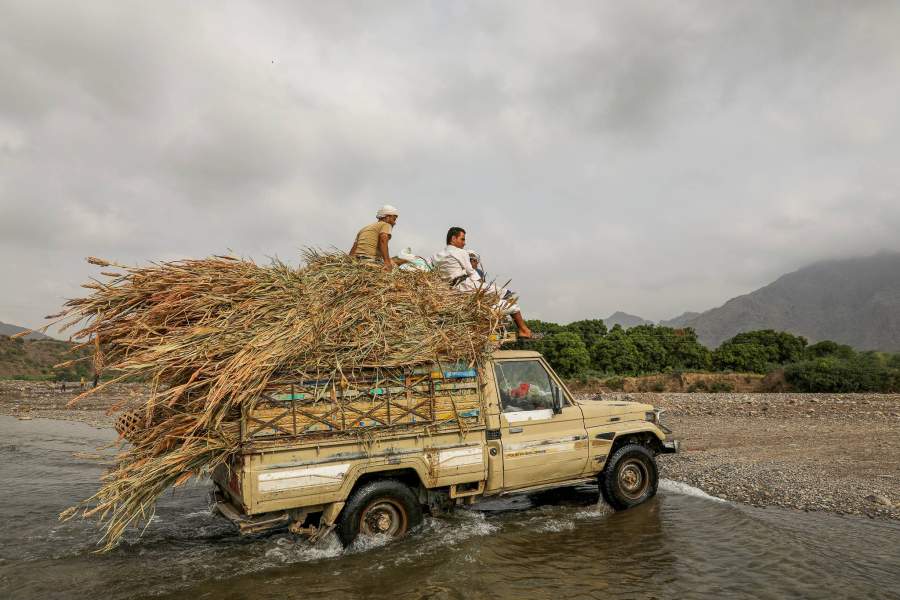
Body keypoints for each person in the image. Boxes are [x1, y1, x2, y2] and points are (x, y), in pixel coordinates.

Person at [431, 227, 533, 338]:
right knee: (507, 294)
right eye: (462, 239)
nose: (464, 243)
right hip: (467, 286)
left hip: (452, 292)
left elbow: (426, 267)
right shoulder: (460, 252)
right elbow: (471, 273)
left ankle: (511, 325)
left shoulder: (437, 256)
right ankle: (523, 330)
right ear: (453, 238)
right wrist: (482, 286)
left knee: (495, 306)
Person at [349, 205, 399, 270]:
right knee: (399, 262)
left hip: (358, 260)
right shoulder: (386, 225)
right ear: (387, 217)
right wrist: (387, 263)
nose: (394, 223)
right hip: (370, 260)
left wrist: (349, 262)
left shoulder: (364, 229)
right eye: (394, 219)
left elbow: (353, 249)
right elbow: (383, 241)